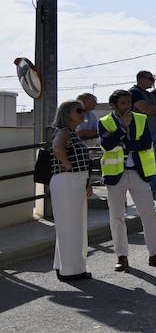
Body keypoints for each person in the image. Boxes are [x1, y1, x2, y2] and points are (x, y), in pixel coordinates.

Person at [99, 89, 156, 272]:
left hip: (138, 174)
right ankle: (121, 256)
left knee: (149, 214)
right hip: (115, 175)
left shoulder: (140, 119)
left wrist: (123, 141)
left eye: (129, 102)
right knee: (117, 217)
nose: (127, 106)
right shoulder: (105, 122)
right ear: (114, 105)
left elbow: (145, 143)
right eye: (123, 103)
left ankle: (155, 254)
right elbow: (106, 145)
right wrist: (122, 129)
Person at [50, 99, 93, 281]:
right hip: (67, 181)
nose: (83, 113)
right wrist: (66, 164)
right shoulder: (64, 132)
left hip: (74, 181)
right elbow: (57, 148)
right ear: (67, 114)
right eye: (79, 110)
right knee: (72, 227)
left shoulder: (72, 133)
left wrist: (87, 183)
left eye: (84, 110)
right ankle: (72, 270)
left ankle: (65, 267)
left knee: (71, 226)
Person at [130, 71, 156, 203]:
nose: (153, 80)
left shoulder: (149, 94)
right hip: (144, 133)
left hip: (154, 131)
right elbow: (145, 109)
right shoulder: (134, 92)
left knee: (155, 162)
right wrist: (155, 109)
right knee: (150, 163)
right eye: (150, 78)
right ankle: (155, 190)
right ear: (141, 79)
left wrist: (152, 108)